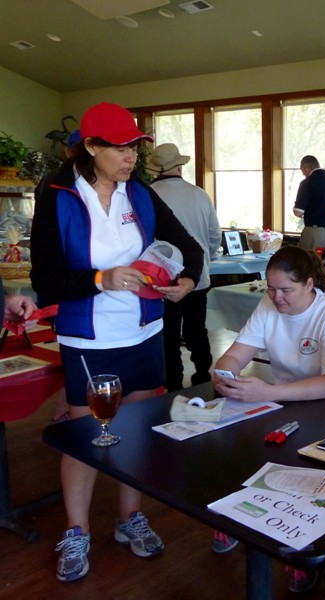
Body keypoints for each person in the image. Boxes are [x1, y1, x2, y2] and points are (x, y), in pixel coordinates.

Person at [30, 101, 204, 583]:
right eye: (121, 147)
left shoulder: (141, 195)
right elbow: (45, 279)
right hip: (89, 337)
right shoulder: (60, 196)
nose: (131, 157)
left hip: (146, 332)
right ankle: (77, 528)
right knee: (87, 437)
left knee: (139, 430)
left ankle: (130, 517)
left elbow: (189, 248)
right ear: (90, 147)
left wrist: (186, 281)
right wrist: (101, 278)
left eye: (135, 147)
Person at [211, 244, 325, 568]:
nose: (277, 297)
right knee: (237, 443)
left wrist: (269, 392)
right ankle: (243, 518)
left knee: (294, 462)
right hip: (285, 402)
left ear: (309, 284)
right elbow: (236, 352)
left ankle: (301, 552)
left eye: (286, 290)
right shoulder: (268, 306)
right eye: (271, 288)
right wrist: (225, 372)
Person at [148, 143, 222, 391]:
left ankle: (173, 382)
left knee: (167, 334)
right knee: (196, 329)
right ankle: (202, 373)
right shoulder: (200, 194)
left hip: (163, 278)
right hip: (197, 277)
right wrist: (205, 260)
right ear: (180, 166)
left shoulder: (148, 196)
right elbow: (214, 236)